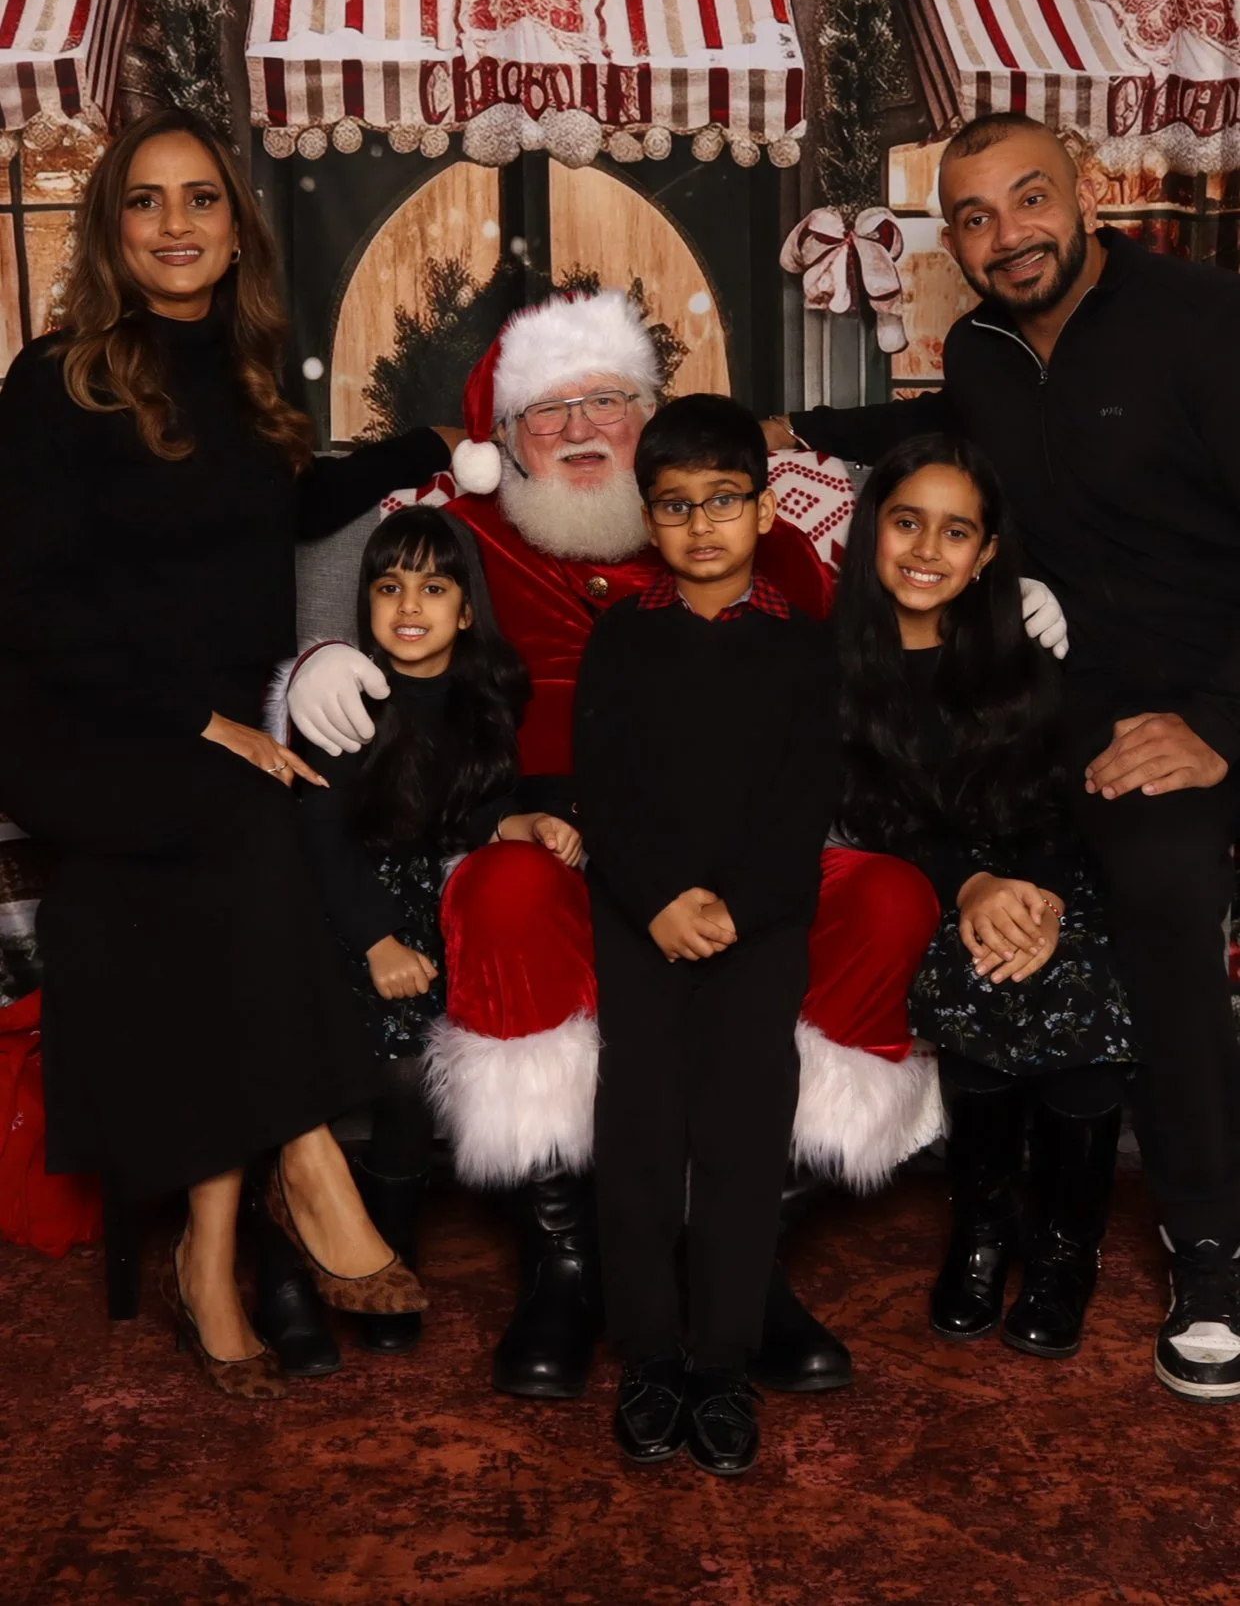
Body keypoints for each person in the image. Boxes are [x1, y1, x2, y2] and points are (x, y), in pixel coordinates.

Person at [286, 288, 950, 1404]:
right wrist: (315, 660)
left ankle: (745, 1249)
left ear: (651, 419)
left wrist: (998, 611)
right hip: (545, 831)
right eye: (548, 410)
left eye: (608, 399)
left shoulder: (763, 541)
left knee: (888, 899)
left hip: (753, 841)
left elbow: (882, 639)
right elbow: (352, 560)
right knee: (503, 893)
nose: (582, 426)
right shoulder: (467, 532)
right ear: (507, 438)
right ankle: (566, 1252)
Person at [768, 109, 1240, 1402]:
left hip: (1201, 706)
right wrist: (785, 431)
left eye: (1028, 199)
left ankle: (1212, 1245)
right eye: (972, 217)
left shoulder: (1205, 321)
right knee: (936, 817)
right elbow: (929, 429)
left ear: (1084, 189)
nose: (1005, 235)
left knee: (1157, 886)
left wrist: (1214, 724)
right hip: (1063, 706)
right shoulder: (980, 349)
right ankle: (969, 1202)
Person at [0, 110, 455, 1396]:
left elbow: (281, 504)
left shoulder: (256, 379)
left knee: (234, 853)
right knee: (255, 810)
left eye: (200, 198)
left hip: (206, 738)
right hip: (76, 719)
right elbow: (29, 604)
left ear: (235, 227)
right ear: (112, 229)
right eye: (146, 201)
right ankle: (307, 1162)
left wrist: (424, 452)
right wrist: (208, 725)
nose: (176, 223)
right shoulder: (57, 377)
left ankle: (209, 1251)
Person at [577, 394, 838, 1476]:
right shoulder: (621, 638)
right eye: (675, 505)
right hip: (641, 916)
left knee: (740, 1132)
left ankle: (723, 1358)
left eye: (722, 500)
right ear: (648, 518)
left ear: (765, 509)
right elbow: (604, 787)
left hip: (759, 923)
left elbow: (805, 797)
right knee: (639, 1127)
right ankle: (648, 1352)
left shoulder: (803, 647)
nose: (700, 524)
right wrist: (656, 900)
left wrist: (738, 905)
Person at [834, 434, 1130, 1359]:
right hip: (929, 884)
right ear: (872, 530)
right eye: (907, 523)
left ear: (987, 552)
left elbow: (1067, 799)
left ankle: (1065, 1251)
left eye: (956, 532)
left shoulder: (1030, 653)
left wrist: (1038, 901)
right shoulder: (833, 666)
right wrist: (970, 885)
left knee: (1077, 983)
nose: (927, 550)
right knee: (978, 978)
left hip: (1048, 880)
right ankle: (983, 1231)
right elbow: (865, 817)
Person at [298, 504, 581, 1355]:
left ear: (465, 609)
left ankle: (551, 1229)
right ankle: (385, 1241)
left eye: (432, 588)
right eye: (389, 588)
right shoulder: (348, 700)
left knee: (500, 1023)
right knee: (405, 1069)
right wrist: (377, 940)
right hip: (363, 907)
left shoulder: (486, 696)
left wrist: (523, 825)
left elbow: (480, 810)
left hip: (451, 898)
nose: (409, 606)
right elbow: (322, 840)